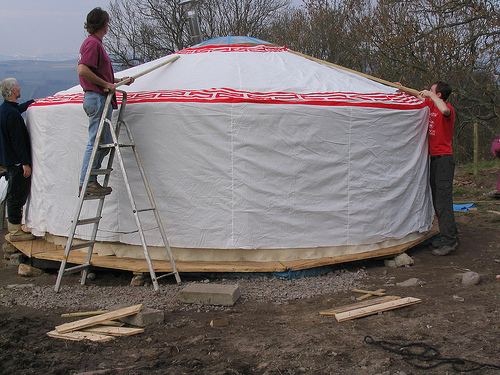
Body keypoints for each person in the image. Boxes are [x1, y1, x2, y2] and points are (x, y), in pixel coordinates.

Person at [77, 7, 133, 196]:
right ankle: (87, 182)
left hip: (99, 96)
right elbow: (83, 70)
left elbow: (97, 73)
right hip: (97, 97)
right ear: (103, 24)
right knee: (96, 141)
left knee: (105, 141)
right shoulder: (93, 44)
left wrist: (118, 81)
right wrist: (105, 85)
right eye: (107, 22)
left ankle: (91, 180)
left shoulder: (94, 44)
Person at [418, 82, 459, 256]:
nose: (429, 91)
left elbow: (445, 111)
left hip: (444, 160)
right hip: (434, 160)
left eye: (432, 90)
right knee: (437, 202)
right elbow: (416, 98)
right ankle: (448, 237)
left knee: (443, 202)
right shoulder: (431, 104)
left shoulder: (446, 109)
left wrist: (431, 96)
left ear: (439, 95)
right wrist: (400, 88)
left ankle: (450, 242)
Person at [0, 78, 36, 241]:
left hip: (9, 160)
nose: (20, 88)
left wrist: (32, 102)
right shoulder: (12, 115)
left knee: (15, 194)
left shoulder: (5, 110)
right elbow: (18, 141)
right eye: (18, 87)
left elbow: (16, 109)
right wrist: (25, 163)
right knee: (17, 196)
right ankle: (15, 231)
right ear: (13, 91)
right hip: (17, 163)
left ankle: (15, 228)